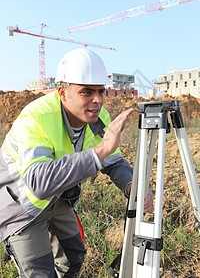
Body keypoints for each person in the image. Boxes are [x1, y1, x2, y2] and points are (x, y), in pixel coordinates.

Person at [0, 48, 153, 277]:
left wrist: (132, 185)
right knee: (40, 273)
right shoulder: (35, 118)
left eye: (101, 92)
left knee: (73, 259)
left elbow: (113, 161)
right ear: (63, 92)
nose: (97, 100)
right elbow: (39, 184)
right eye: (87, 92)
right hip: (22, 206)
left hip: (58, 198)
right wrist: (98, 152)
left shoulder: (99, 117)